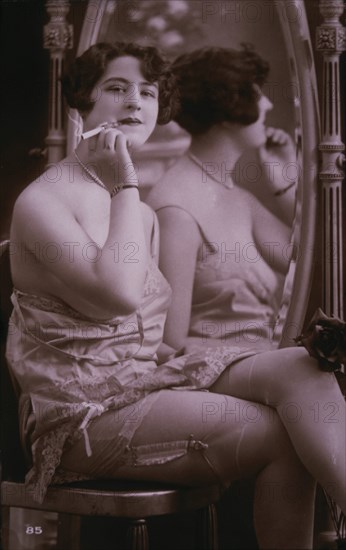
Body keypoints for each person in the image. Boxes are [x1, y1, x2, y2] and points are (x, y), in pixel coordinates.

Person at [5, 41, 327, 550]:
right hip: (81, 419)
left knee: (302, 373)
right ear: (79, 106)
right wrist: (125, 185)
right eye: (117, 88)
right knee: (284, 435)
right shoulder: (43, 202)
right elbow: (119, 295)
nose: (135, 102)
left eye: (148, 92)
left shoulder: (143, 214)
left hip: (140, 389)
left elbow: (153, 341)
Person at [147, 44, 346, 528]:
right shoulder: (176, 206)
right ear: (229, 104)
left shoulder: (235, 195)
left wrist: (283, 180)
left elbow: (317, 260)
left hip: (265, 365)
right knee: (305, 374)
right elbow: (170, 340)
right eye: (257, 93)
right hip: (206, 370)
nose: (268, 105)